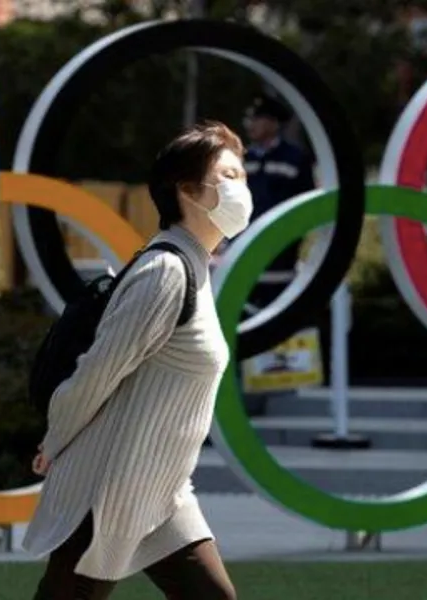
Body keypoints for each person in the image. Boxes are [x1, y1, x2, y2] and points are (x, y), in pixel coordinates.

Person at [24, 121, 250, 600]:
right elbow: (95, 373)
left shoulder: (196, 268)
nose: (241, 189)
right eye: (228, 177)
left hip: (161, 490)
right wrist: (55, 439)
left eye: (242, 176)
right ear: (186, 191)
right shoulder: (165, 272)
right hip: (107, 486)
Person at [241, 93, 315, 311]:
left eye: (257, 118)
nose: (250, 124)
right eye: (249, 119)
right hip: (242, 263)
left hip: (279, 264)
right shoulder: (241, 159)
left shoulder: (294, 158)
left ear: (274, 123)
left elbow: (305, 208)